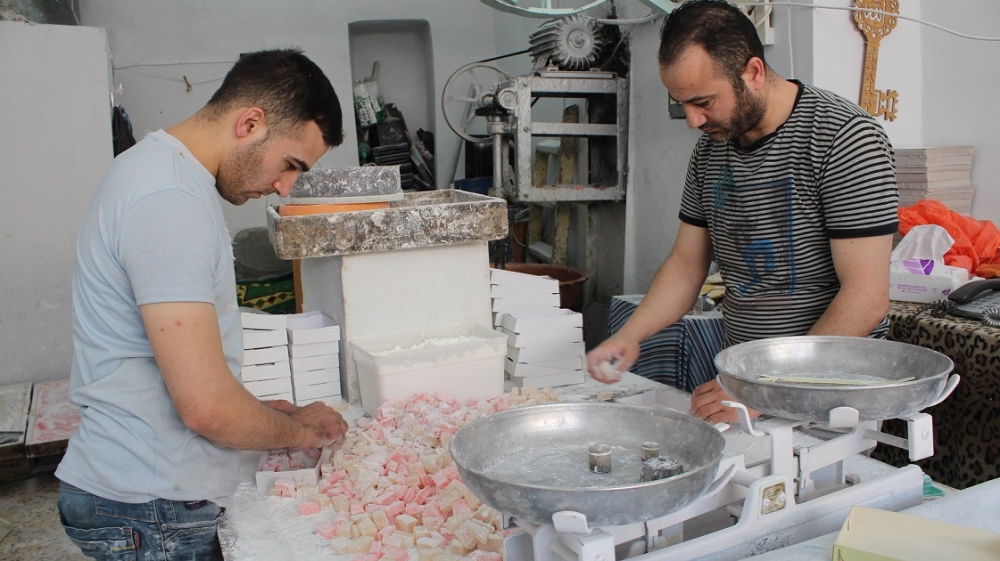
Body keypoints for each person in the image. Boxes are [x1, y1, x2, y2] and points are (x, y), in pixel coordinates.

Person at [56, 49, 350, 561]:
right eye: (290, 164)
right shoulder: (168, 202)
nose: (285, 186)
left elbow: (177, 373)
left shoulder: (156, 172)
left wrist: (264, 411)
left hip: (143, 496)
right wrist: (297, 432)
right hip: (151, 506)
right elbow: (205, 407)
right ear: (250, 123)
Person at [587, 0, 898, 424]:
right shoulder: (712, 149)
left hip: (830, 390)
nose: (693, 121)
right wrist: (629, 335)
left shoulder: (845, 138)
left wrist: (772, 389)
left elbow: (865, 299)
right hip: (752, 387)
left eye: (704, 102)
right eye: (682, 105)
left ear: (752, 72)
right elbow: (685, 265)